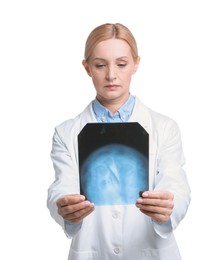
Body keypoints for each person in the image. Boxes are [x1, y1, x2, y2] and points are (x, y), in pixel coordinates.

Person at [47, 23, 191, 260]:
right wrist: (63, 207)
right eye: (100, 65)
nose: (111, 75)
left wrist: (168, 205)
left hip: (151, 251)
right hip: (93, 250)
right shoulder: (66, 132)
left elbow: (176, 184)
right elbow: (63, 185)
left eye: (121, 64)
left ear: (136, 64)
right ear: (87, 67)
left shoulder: (164, 128)